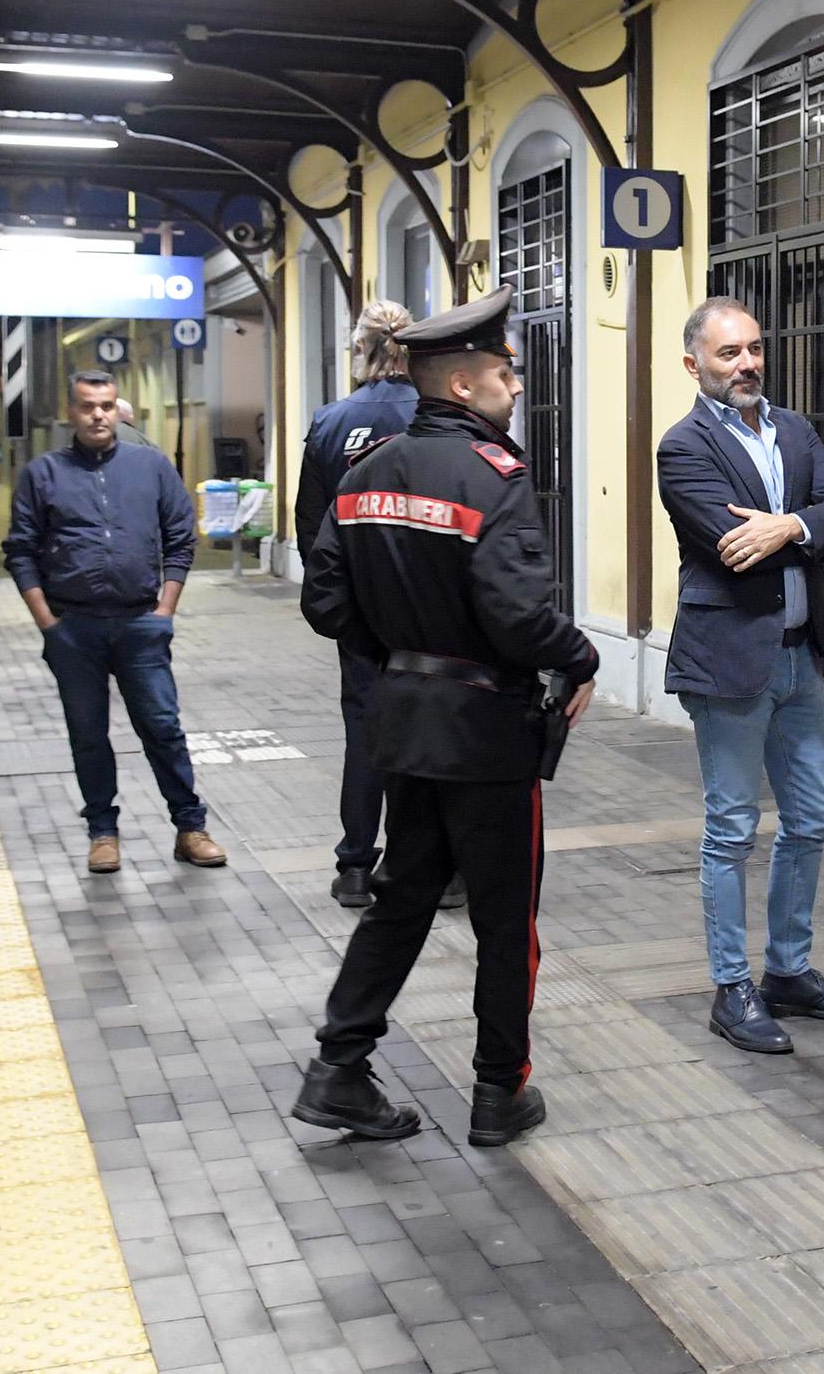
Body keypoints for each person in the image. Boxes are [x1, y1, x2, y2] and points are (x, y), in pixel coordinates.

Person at [290, 284, 597, 1149]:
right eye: (504, 370)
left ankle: (339, 1067)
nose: (515, 384)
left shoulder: (363, 475)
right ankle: (501, 1090)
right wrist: (580, 656)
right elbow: (518, 617)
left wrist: (400, 650)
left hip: (402, 723)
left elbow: (324, 602)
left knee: (400, 898)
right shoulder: (493, 476)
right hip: (487, 733)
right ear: (463, 385)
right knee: (505, 918)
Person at [656, 296, 824, 1055]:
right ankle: (731, 987)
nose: (746, 364)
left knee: (811, 818)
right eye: (727, 354)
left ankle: (788, 971)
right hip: (728, 664)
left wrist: (791, 522)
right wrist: (800, 528)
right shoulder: (682, 448)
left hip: (798, 657)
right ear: (695, 365)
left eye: (752, 348)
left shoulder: (796, 429)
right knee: (731, 830)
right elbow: (728, 543)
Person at [3, 371, 227, 875]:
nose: (98, 415)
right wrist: (48, 623)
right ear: (71, 413)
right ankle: (102, 832)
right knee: (88, 734)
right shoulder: (44, 474)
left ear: (118, 410)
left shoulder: (150, 467)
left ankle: (190, 828)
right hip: (74, 629)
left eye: (105, 405)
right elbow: (19, 552)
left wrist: (164, 612)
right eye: (87, 406)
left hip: (139, 625)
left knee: (163, 728)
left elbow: (180, 539)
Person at [293, 299, 457, 912]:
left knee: (365, 732)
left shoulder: (330, 422)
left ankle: (355, 867)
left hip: (362, 612)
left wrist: (336, 605)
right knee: (434, 733)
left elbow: (313, 525)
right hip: (433, 614)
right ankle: (431, 866)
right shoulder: (439, 414)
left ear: (358, 350)